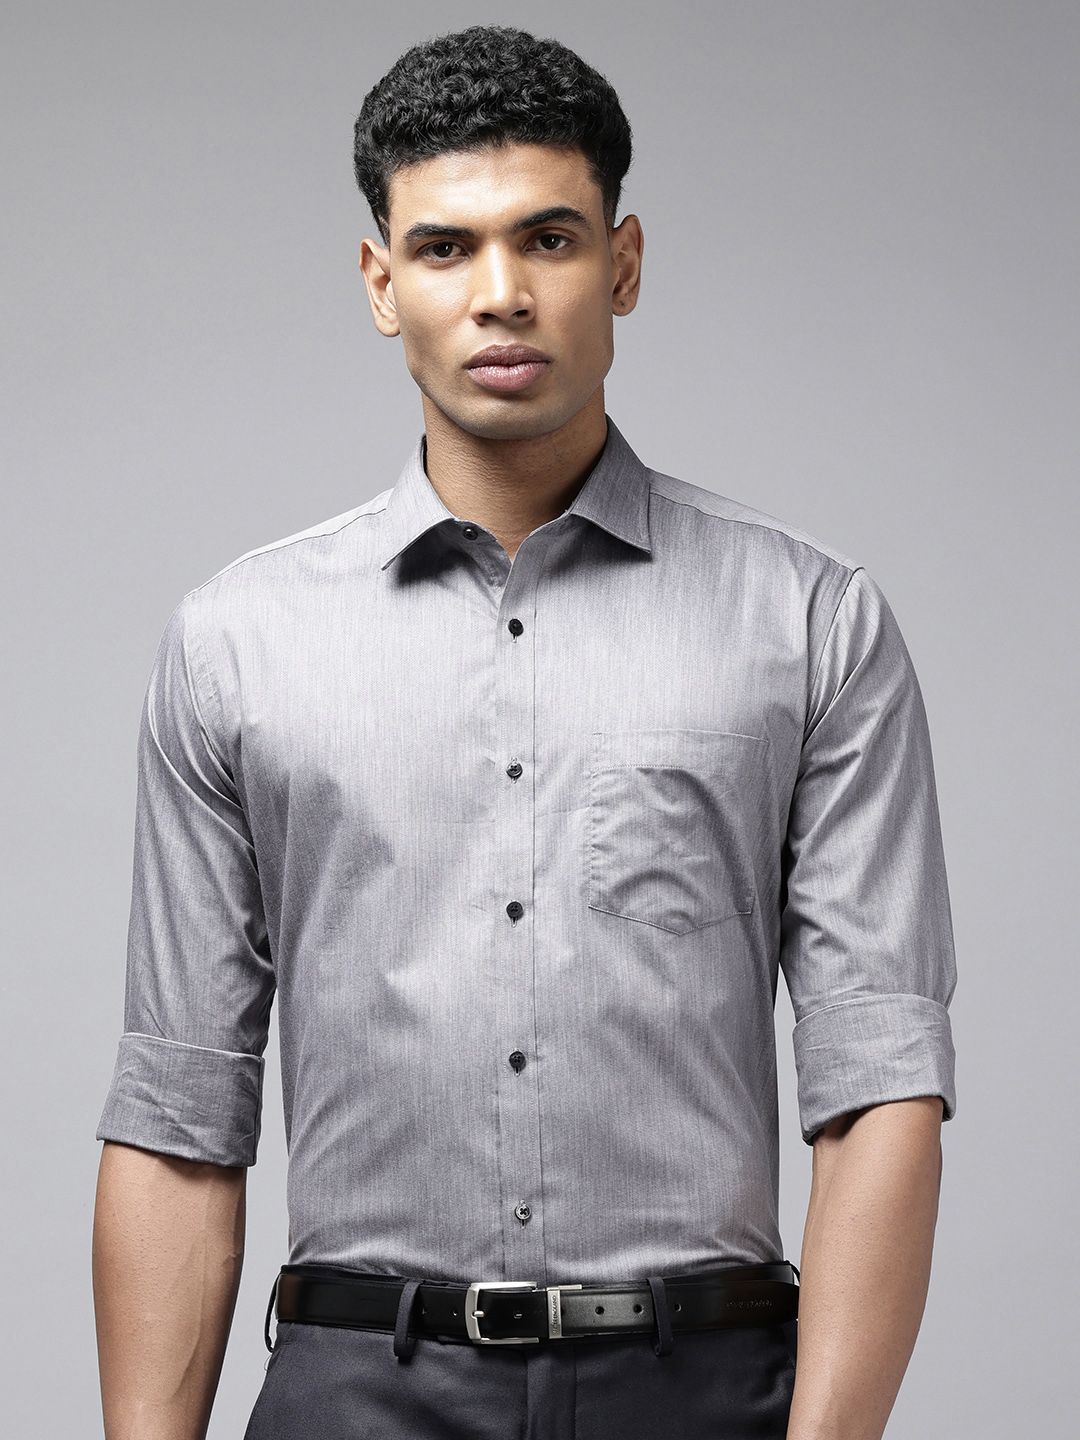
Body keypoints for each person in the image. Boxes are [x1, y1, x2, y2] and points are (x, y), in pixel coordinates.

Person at [91, 23, 958, 1440]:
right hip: (359, 1390)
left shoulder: (810, 623)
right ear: (382, 283)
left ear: (622, 263)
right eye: (444, 249)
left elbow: (879, 1089)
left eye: (548, 239)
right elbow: (182, 1113)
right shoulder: (236, 644)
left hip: (702, 1390)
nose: (500, 294)